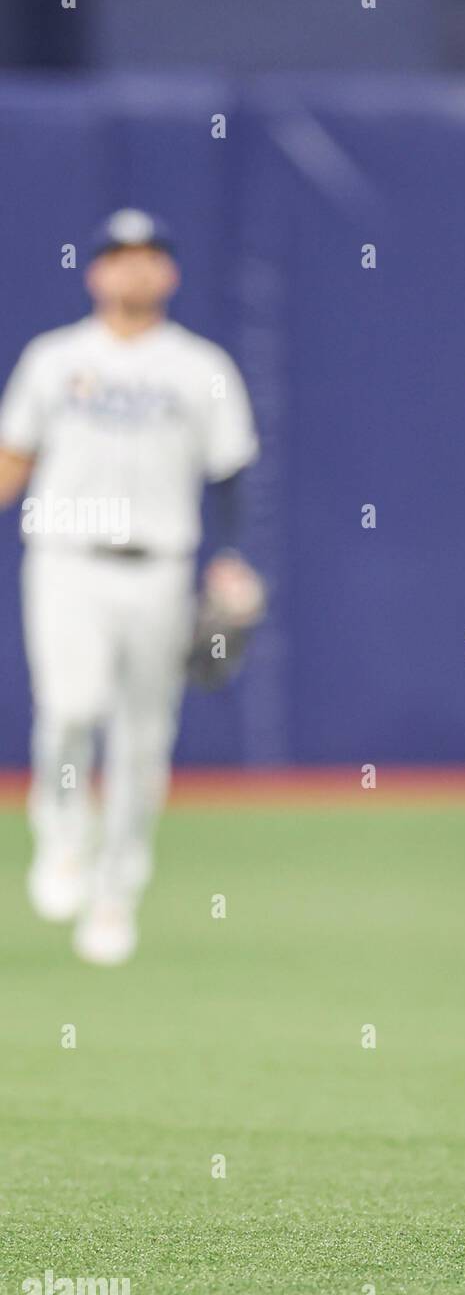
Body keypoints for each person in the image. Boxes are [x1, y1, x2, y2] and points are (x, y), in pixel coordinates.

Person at [0, 208, 259, 965]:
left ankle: (116, 894)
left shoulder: (200, 366)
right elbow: (15, 456)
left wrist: (234, 557)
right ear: (97, 272)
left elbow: (231, 469)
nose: (134, 268)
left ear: (168, 273)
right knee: (71, 708)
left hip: (160, 566)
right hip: (65, 557)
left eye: (148, 256)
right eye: (120, 256)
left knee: (143, 743)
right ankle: (60, 833)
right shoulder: (53, 359)